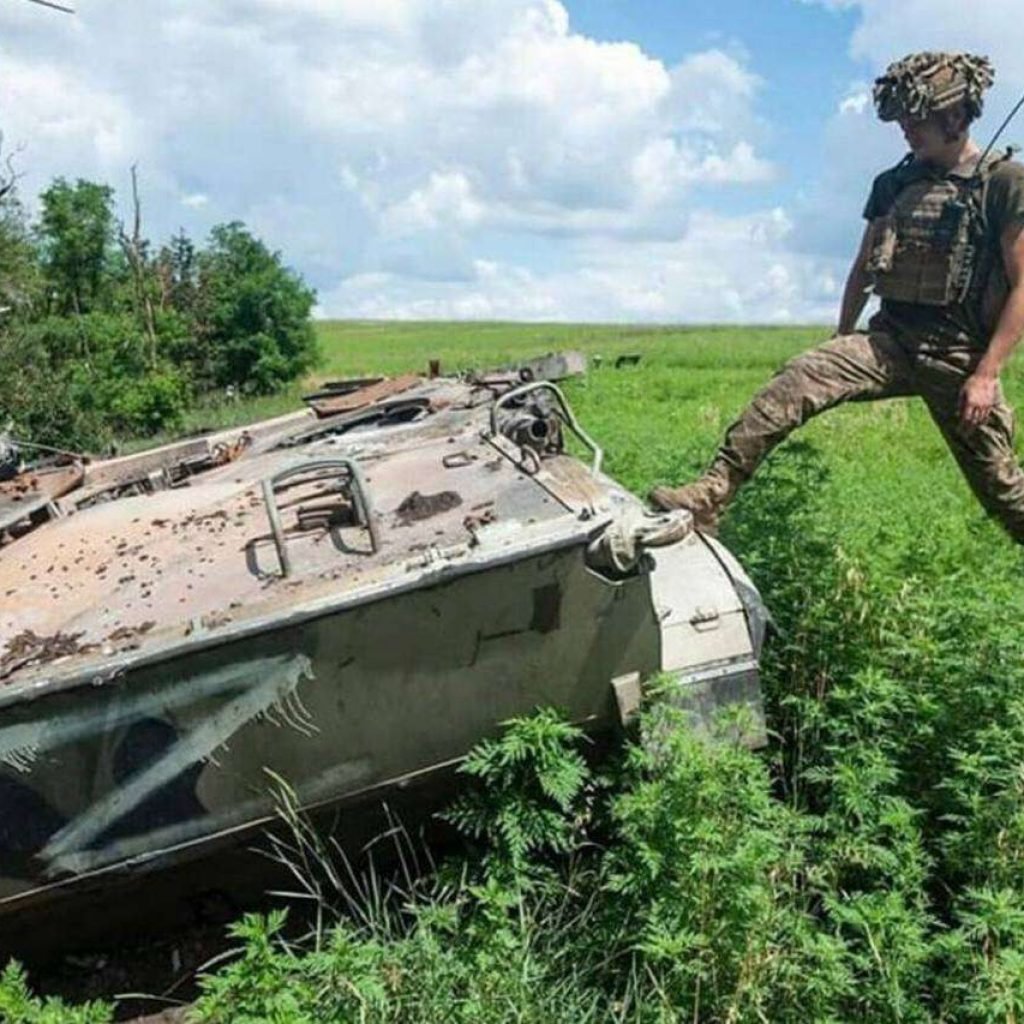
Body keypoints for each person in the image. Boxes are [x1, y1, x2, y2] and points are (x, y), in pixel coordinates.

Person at [649, 52, 1024, 542]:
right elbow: (864, 266)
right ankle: (710, 496)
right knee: (798, 378)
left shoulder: (1003, 183)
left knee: (1006, 496)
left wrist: (986, 373)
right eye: (902, 121)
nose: (905, 130)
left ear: (955, 117)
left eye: (916, 120)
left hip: (957, 356)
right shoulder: (894, 184)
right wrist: (841, 338)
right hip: (890, 342)